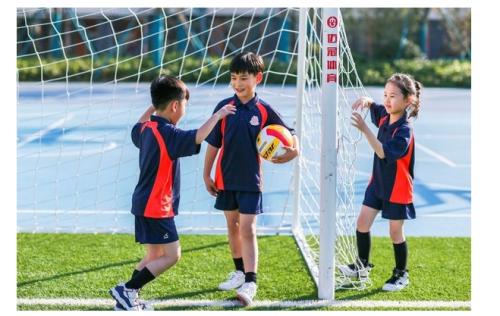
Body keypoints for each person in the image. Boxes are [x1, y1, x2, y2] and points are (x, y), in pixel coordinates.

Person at [109, 75, 236, 311]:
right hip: (157, 205)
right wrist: (218, 116)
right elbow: (199, 135)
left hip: (143, 202)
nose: (185, 109)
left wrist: (155, 106)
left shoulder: (147, 128)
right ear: (175, 106)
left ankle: (127, 299)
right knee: (172, 255)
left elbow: (137, 126)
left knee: (154, 254)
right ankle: (126, 290)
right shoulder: (168, 134)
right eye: (184, 105)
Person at [203, 52, 299, 306]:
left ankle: (251, 280)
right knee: (232, 226)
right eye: (233, 78)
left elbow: (289, 133)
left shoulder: (264, 110)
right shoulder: (225, 108)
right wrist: (206, 173)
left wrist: (294, 150)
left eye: (243, 78)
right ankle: (238, 271)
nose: (237, 83)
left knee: (248, 228)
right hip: (225, 179)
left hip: (251, 181)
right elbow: (214, 143)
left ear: (258, 78)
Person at [345, 73, 422, 291]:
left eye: (393, 96)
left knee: (395, 232)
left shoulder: (404, 130)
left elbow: (381, 152)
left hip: (397, 188)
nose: (387, 100)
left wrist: (365, 129)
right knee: (362, 223)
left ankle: (401, 274)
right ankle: (362, 265)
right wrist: (368, 101)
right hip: (377, 184)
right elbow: (377, 107)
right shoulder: (384, 116)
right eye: (385, 95)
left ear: (408, 101)